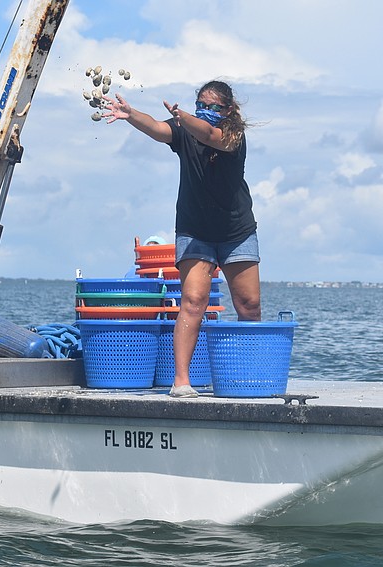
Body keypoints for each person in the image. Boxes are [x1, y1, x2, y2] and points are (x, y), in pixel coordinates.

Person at [103, 80, 261, 398]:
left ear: (228, 110)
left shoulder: (233, 135)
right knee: (192, 302)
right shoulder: (183, 128)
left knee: (249, 306)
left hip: (236, 231)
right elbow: (158, 129)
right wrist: (131, 114)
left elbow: (209, 135)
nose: (205, 111)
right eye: (201, 104)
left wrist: (184, 116)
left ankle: (251, 375)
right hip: (194, 229)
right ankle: (182, 381)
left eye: (213, 107)